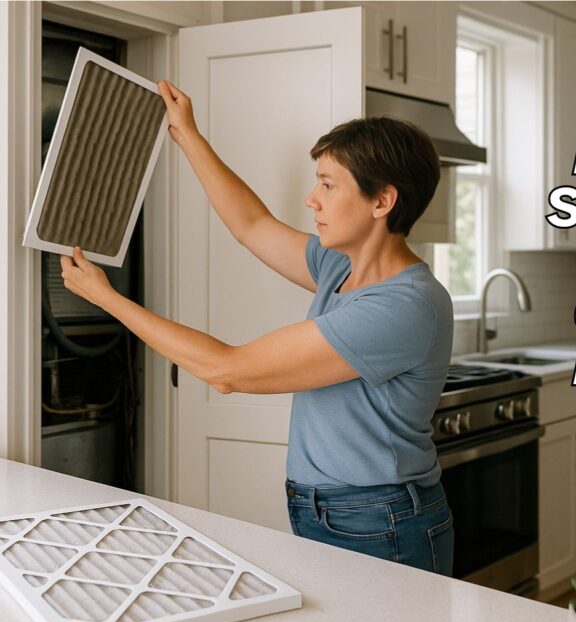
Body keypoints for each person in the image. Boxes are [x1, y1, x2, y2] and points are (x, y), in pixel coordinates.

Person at [59, 80, 456, 576]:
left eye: (329, 185)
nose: (312, 200)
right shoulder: (340, 266)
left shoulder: (403, 306)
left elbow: (228, 370)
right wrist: (188, 135)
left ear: (382, 202)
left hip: (379, 517)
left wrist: (107, 299)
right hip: (332, 507)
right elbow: (251, 225)